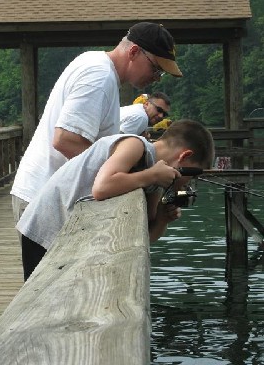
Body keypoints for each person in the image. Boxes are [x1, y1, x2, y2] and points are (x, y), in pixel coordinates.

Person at [11, 22, 182, 223]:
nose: (157, 79)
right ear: (134, 52)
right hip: (45, 200)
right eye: (156, 69)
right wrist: (134, 176)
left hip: (46, 195)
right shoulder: (99, 76)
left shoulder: (96, 64)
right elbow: (66, 140)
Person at [16, 119, 214, 281]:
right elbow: (101, 188)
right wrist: (151, 176)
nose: (188, 184)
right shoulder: (135, 145)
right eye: (192, 176)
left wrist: (162, 219)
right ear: (185, 156)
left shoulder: (153, 176)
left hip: (67, 234)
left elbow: (145, 236)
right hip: (45, 227)